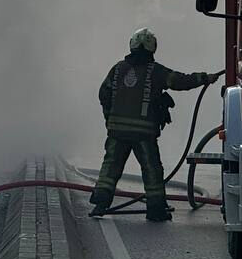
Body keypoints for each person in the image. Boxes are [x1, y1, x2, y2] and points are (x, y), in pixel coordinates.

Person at [90, 28, 219, 222]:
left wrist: (110, 118)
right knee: (152, 170)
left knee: (110, 168)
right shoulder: (155, 71)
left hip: (117, 131)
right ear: (152, 49)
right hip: (143, 133)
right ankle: (156, 209)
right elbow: (180, 81)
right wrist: (204, 78)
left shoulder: (117, 69)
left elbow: (103, 94)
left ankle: (100, 203)